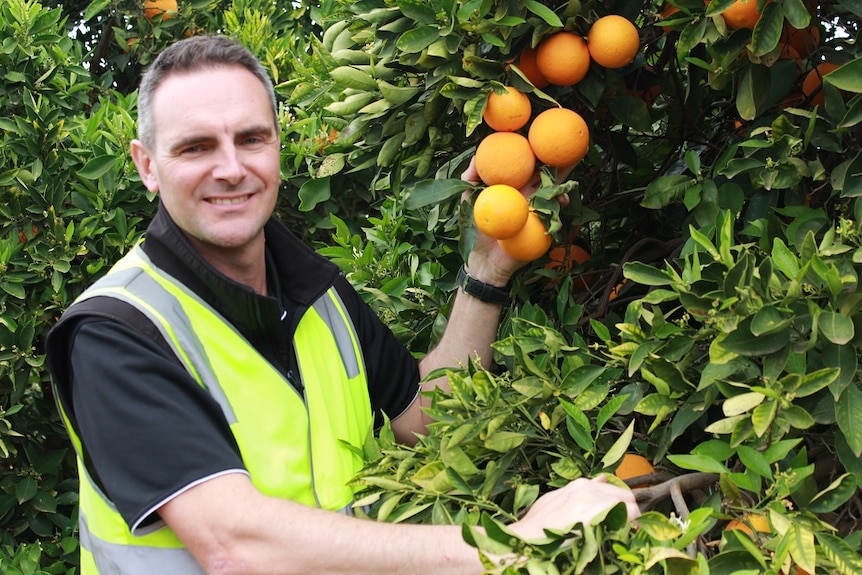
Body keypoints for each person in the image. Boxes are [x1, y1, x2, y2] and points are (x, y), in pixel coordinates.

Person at [46, 35, 639, 574]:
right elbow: (233, 546)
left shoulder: (317, 294)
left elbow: (427, 421)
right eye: (196, 147)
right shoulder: (115, 331)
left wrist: (485, 272)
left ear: (277, 148)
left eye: (251, 138)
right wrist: (511, 544)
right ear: (147, 166)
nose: (231, 168)